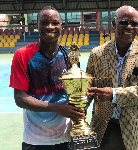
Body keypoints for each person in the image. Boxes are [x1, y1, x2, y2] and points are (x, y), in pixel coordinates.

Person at [9, 6, 85, 150]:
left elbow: (75, 95)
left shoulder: (71, 56)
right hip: (35, 140)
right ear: (37, 25)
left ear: (61, 26)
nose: (50, 27)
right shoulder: (22, 55)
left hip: (66, 137)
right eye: (44, 23)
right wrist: (57, 108)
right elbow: (20, 98)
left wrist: (80, 107)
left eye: (55, 23)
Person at [86, 5, 138, 150]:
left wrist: (114, 95)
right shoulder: (97, 54)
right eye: (124, 22)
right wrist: (78, 110)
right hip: (103, 128)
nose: (129, 27)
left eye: (134, 24)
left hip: (135, 129)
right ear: (114, 24)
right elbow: (88, 88)